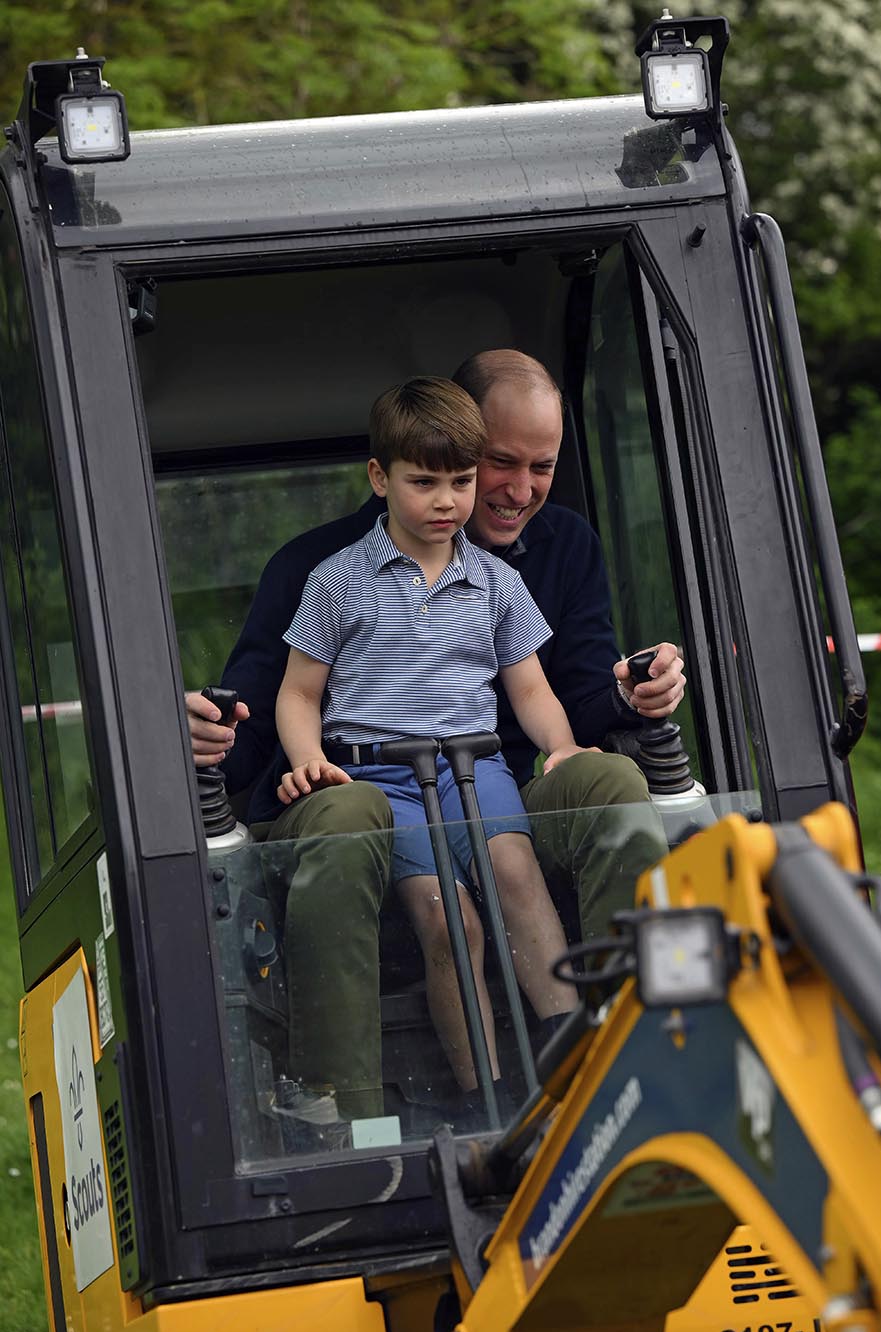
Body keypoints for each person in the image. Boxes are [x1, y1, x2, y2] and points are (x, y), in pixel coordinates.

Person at [187, 349, 684, 1123]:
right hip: (367, 784)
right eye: (493, 465)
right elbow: (277, 704)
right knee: (424, 895)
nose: (513, 491)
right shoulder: (324, 573)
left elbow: (551, 691)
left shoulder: (538, 563)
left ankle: (620, 1063)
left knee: (607, 791)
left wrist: (624, 698)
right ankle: (355, 1114)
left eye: (542, 467)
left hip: (486, 775)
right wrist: (220, 742)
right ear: (391, 472)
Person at [275, 376, 579, 1103]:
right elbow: (298, 692)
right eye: (425, 482)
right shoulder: (337, 582)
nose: (447, 501)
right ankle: (491, 1095)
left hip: (476, 767)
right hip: (383, 780)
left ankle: (577, 1063)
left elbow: (529, 687)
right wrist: (308, 761)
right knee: (449, 919)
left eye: (462, 481)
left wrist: (561, 748)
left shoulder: (498, 581)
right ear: (380, 478)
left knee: (516, 876)